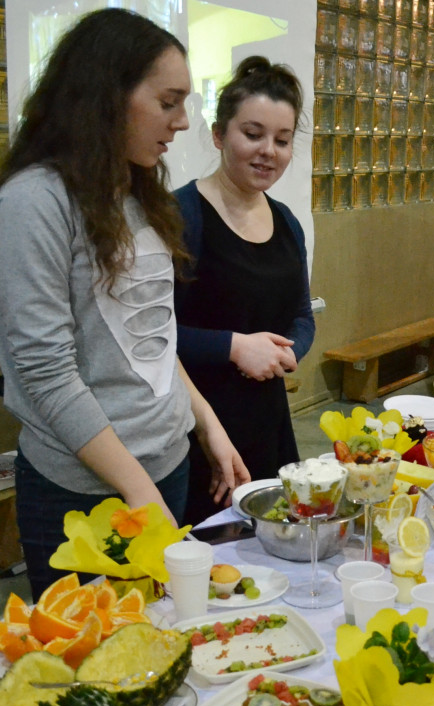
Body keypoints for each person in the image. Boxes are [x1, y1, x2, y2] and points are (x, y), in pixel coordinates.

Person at [0, 9, 250, 600]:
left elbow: (151, 336)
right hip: (85, 492)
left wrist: (207, 425)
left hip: (162, 467)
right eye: (168, 102)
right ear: (108, 94)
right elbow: (46, 374)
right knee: (97, 671)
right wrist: (138, 493)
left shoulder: (136, 190)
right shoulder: (31, 206)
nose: (181, 121)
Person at [174, 57, 314, 525]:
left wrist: (287, 352)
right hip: (194, 430)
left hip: (268, 424)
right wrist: (234, 347)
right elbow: (148, 336)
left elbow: (301, 315)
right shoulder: (179, 218)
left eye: (282, 139)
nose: (268, 151)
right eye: (252, 134)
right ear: (218, 135)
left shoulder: (287, 222)